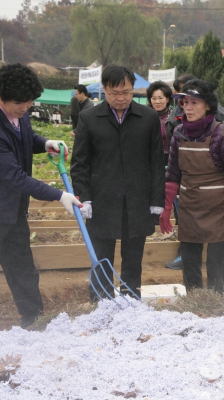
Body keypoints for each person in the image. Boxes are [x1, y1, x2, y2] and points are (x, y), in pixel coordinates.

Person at [0, 63, 81, 331]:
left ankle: (34, 320)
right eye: (19, 103)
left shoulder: (20, 113)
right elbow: (14, 177)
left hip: (13, 210)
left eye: (29, 103)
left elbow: (25, 137)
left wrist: (45, 143)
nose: (25, 108)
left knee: (23, 267)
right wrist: (58, 195)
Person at [71, 64, 165, 302]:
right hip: (102, 198)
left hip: (137, 198)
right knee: (102, 253)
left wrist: (156, 200)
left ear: (134, 89)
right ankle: (101, 299)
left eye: (126, 92)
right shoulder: (89, 118)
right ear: (104, 90)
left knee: (134, 253)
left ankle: (131, 296)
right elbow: (80, 163)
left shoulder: (148, 117)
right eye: (114, 93)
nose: (121, 98)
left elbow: (156, 161)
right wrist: (85, 197)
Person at [159, 79, 224, 294]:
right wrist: (167, 208)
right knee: (190, 259)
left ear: (208, 105)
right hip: (189, 206)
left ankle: (216, 301)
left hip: (218, 208)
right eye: (185, 102)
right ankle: (195, 299)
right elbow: (173, 174)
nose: (188, 107)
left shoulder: (221, 134)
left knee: (216, 261)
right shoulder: (178, 134)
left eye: (195, 102)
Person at [146, 81, 173, 166]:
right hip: (149, 158)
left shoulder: (174, 117)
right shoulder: (144, 116)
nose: (157, 102)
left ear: (167, 99)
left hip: (170, 158)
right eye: (154, 98)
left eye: (160, 98)